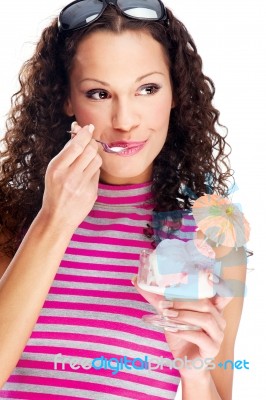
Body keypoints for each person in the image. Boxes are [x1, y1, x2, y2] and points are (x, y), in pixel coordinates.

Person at [0, 0, 247, 399]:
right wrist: (55, 219)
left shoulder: (214, 236)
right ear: (66, 100)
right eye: (99, 93)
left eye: (147, 88)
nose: (125, 121)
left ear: (175, 93)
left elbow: (218, 386)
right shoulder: (12, 219)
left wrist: (195, 374)